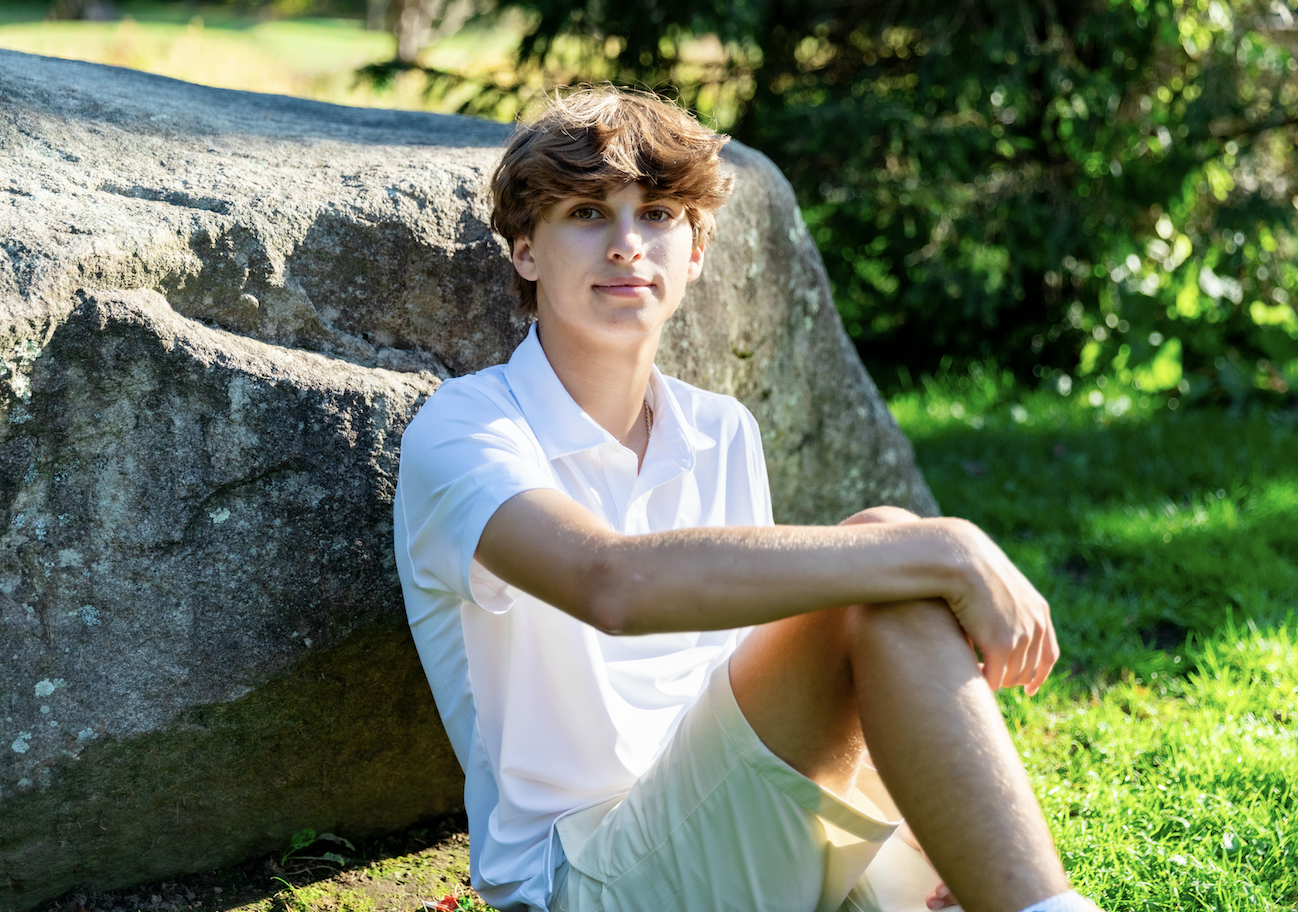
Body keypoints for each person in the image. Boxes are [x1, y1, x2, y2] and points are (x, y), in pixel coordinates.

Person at [394, 86, 1102, 912]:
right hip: (580, 878)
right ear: (525, 251)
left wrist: (910, 831)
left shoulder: (719, 431)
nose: (628, 245)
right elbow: (609, 585)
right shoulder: (466, 429)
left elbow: (750, 684)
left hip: (733, 821)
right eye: (589, 213)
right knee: (881, 549)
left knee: (876, 579)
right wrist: (945, 545)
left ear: (696, 249)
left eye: (657, 214)